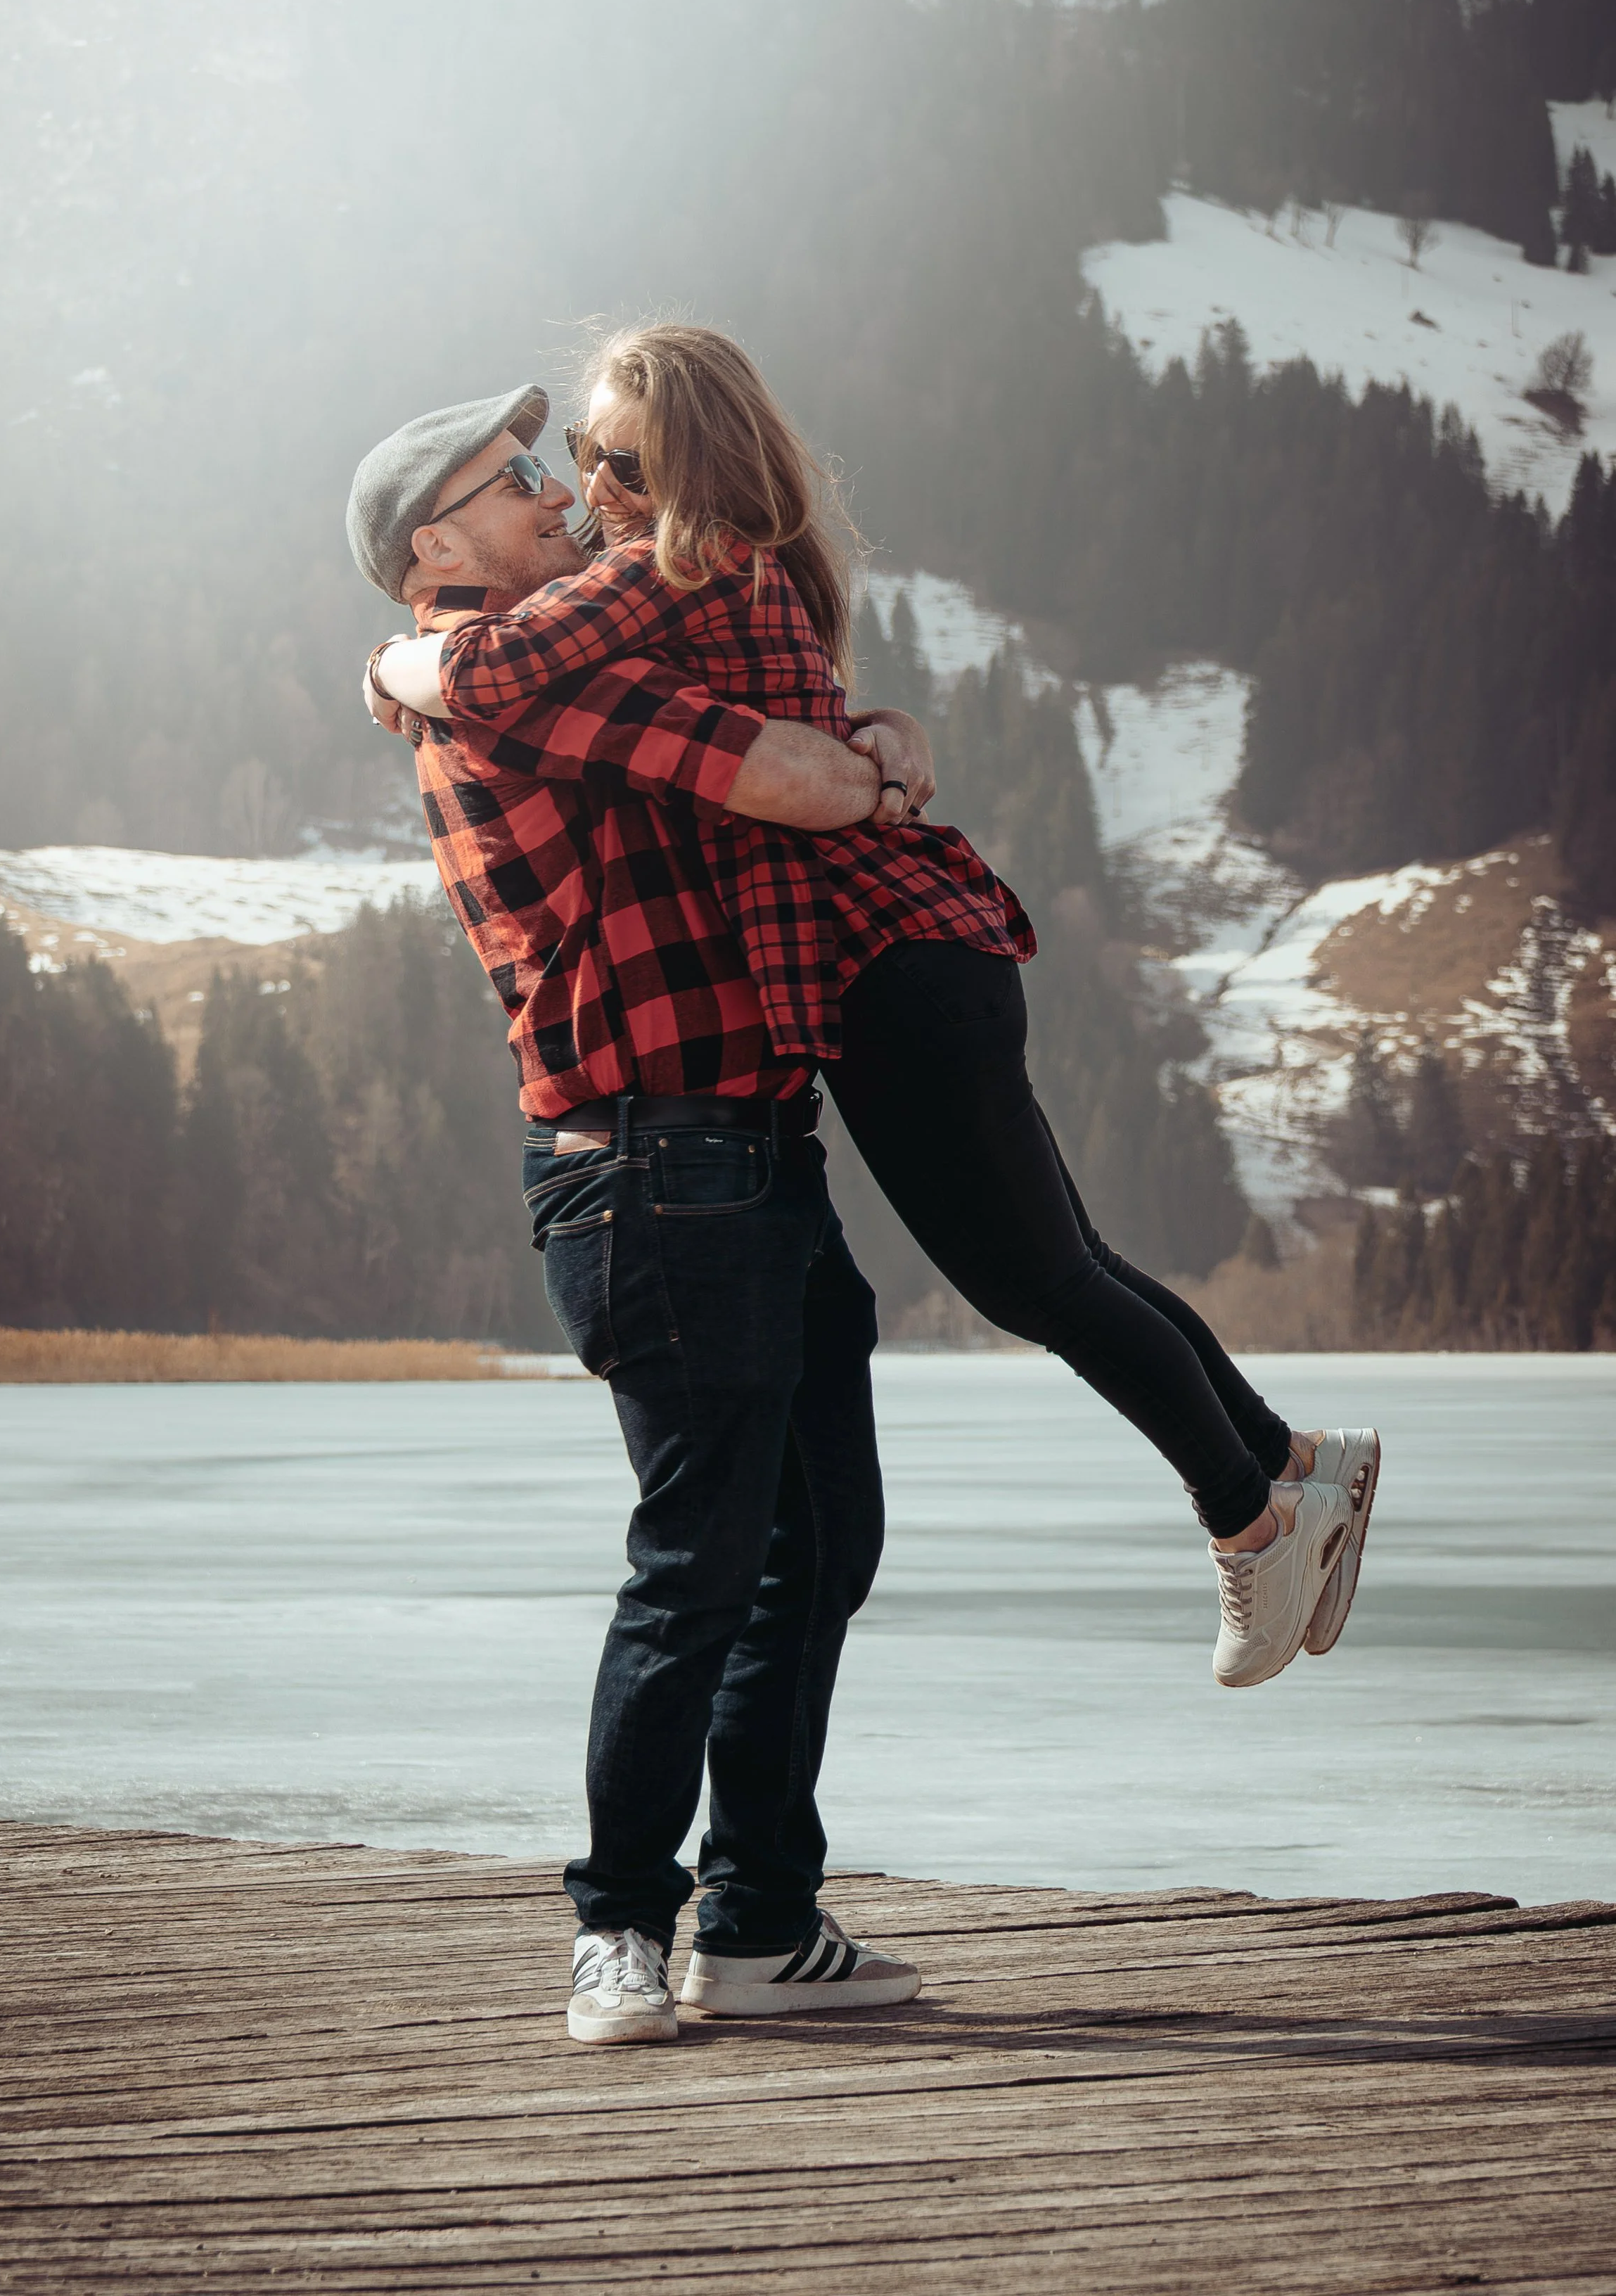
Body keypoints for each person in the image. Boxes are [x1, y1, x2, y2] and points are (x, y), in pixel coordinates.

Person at [368, 328, 1383, 1699]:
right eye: (569, 466)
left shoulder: (666, 565)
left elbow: (487, 676)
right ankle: (1292, 1467)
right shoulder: (752, 560)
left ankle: (1249, 1522)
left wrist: (397, 664)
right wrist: (882, 749)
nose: (583, 488)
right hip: (929, 950)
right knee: (1068, 1260)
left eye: (607, 460)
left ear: (674, 466)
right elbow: (809, 728)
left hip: (881, 973)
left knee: (1038, 1282)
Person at [347, 385, 928, 2047]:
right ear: (434, 546)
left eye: (552, 466)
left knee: (813, 1543)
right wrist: (870, 766)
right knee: (701, 1564)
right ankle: (617, 1924)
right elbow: (776, 774)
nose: (557, 495)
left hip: (740, 1146)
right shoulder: (514, 685)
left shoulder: (514, 654)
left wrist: (878, 740)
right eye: (515, 480)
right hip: (650, 1162)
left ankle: (755, 1921)